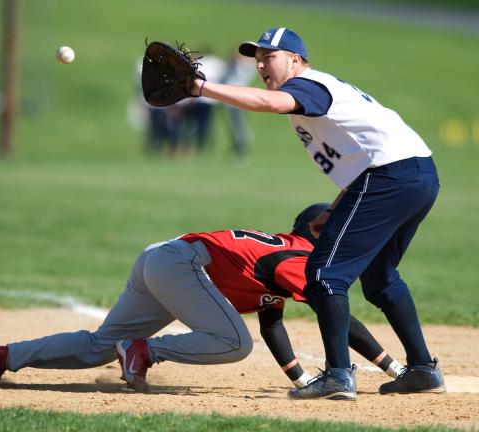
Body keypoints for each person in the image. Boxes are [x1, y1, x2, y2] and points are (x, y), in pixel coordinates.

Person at [189, 27, 445, 400]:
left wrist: (202, 89)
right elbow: (364, 152)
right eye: (257, 59)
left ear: (295, 60)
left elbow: (266, 103)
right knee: (380, 278)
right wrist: (340, 207)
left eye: (269, 57)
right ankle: (422, 369)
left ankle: (339, 376)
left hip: (391, 176)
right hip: (416, 174)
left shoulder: (307, 85)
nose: (261, 65)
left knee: (324, 274)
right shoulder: (316, 91)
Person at [0, 203, 405, 393]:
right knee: (236, 344)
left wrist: (300, 379)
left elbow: (272, 321)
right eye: (333, 219)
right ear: (316, 227)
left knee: (97, 348)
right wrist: (392, 366)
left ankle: (4, 355)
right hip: (182, 267)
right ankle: (144, 350)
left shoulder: (283, 252)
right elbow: (339, 317)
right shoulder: (301, 256)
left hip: (164, 261)